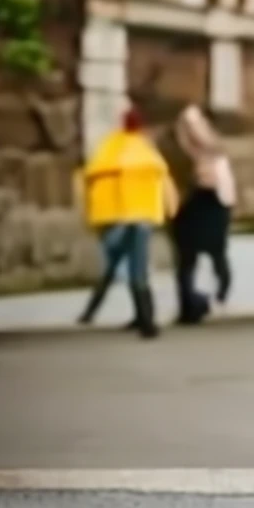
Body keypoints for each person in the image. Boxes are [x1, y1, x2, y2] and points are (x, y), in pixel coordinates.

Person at [77, 106, 178, 338]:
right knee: (136, 268)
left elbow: (90, 179)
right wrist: (171, 208)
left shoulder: (109, 148)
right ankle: (145, 320)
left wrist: (89, 213)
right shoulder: (147, 150)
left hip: (117, 217)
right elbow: (163, 178)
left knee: (115, 263)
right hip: (142, 217)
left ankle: (100, 313)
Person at [171, 105, 236, 324]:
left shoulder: (213, 155)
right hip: (197, 203)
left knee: (209, 256)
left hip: (210, 203)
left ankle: (213, 298)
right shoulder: (188, 150)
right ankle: (193, 303)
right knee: (190, 259)